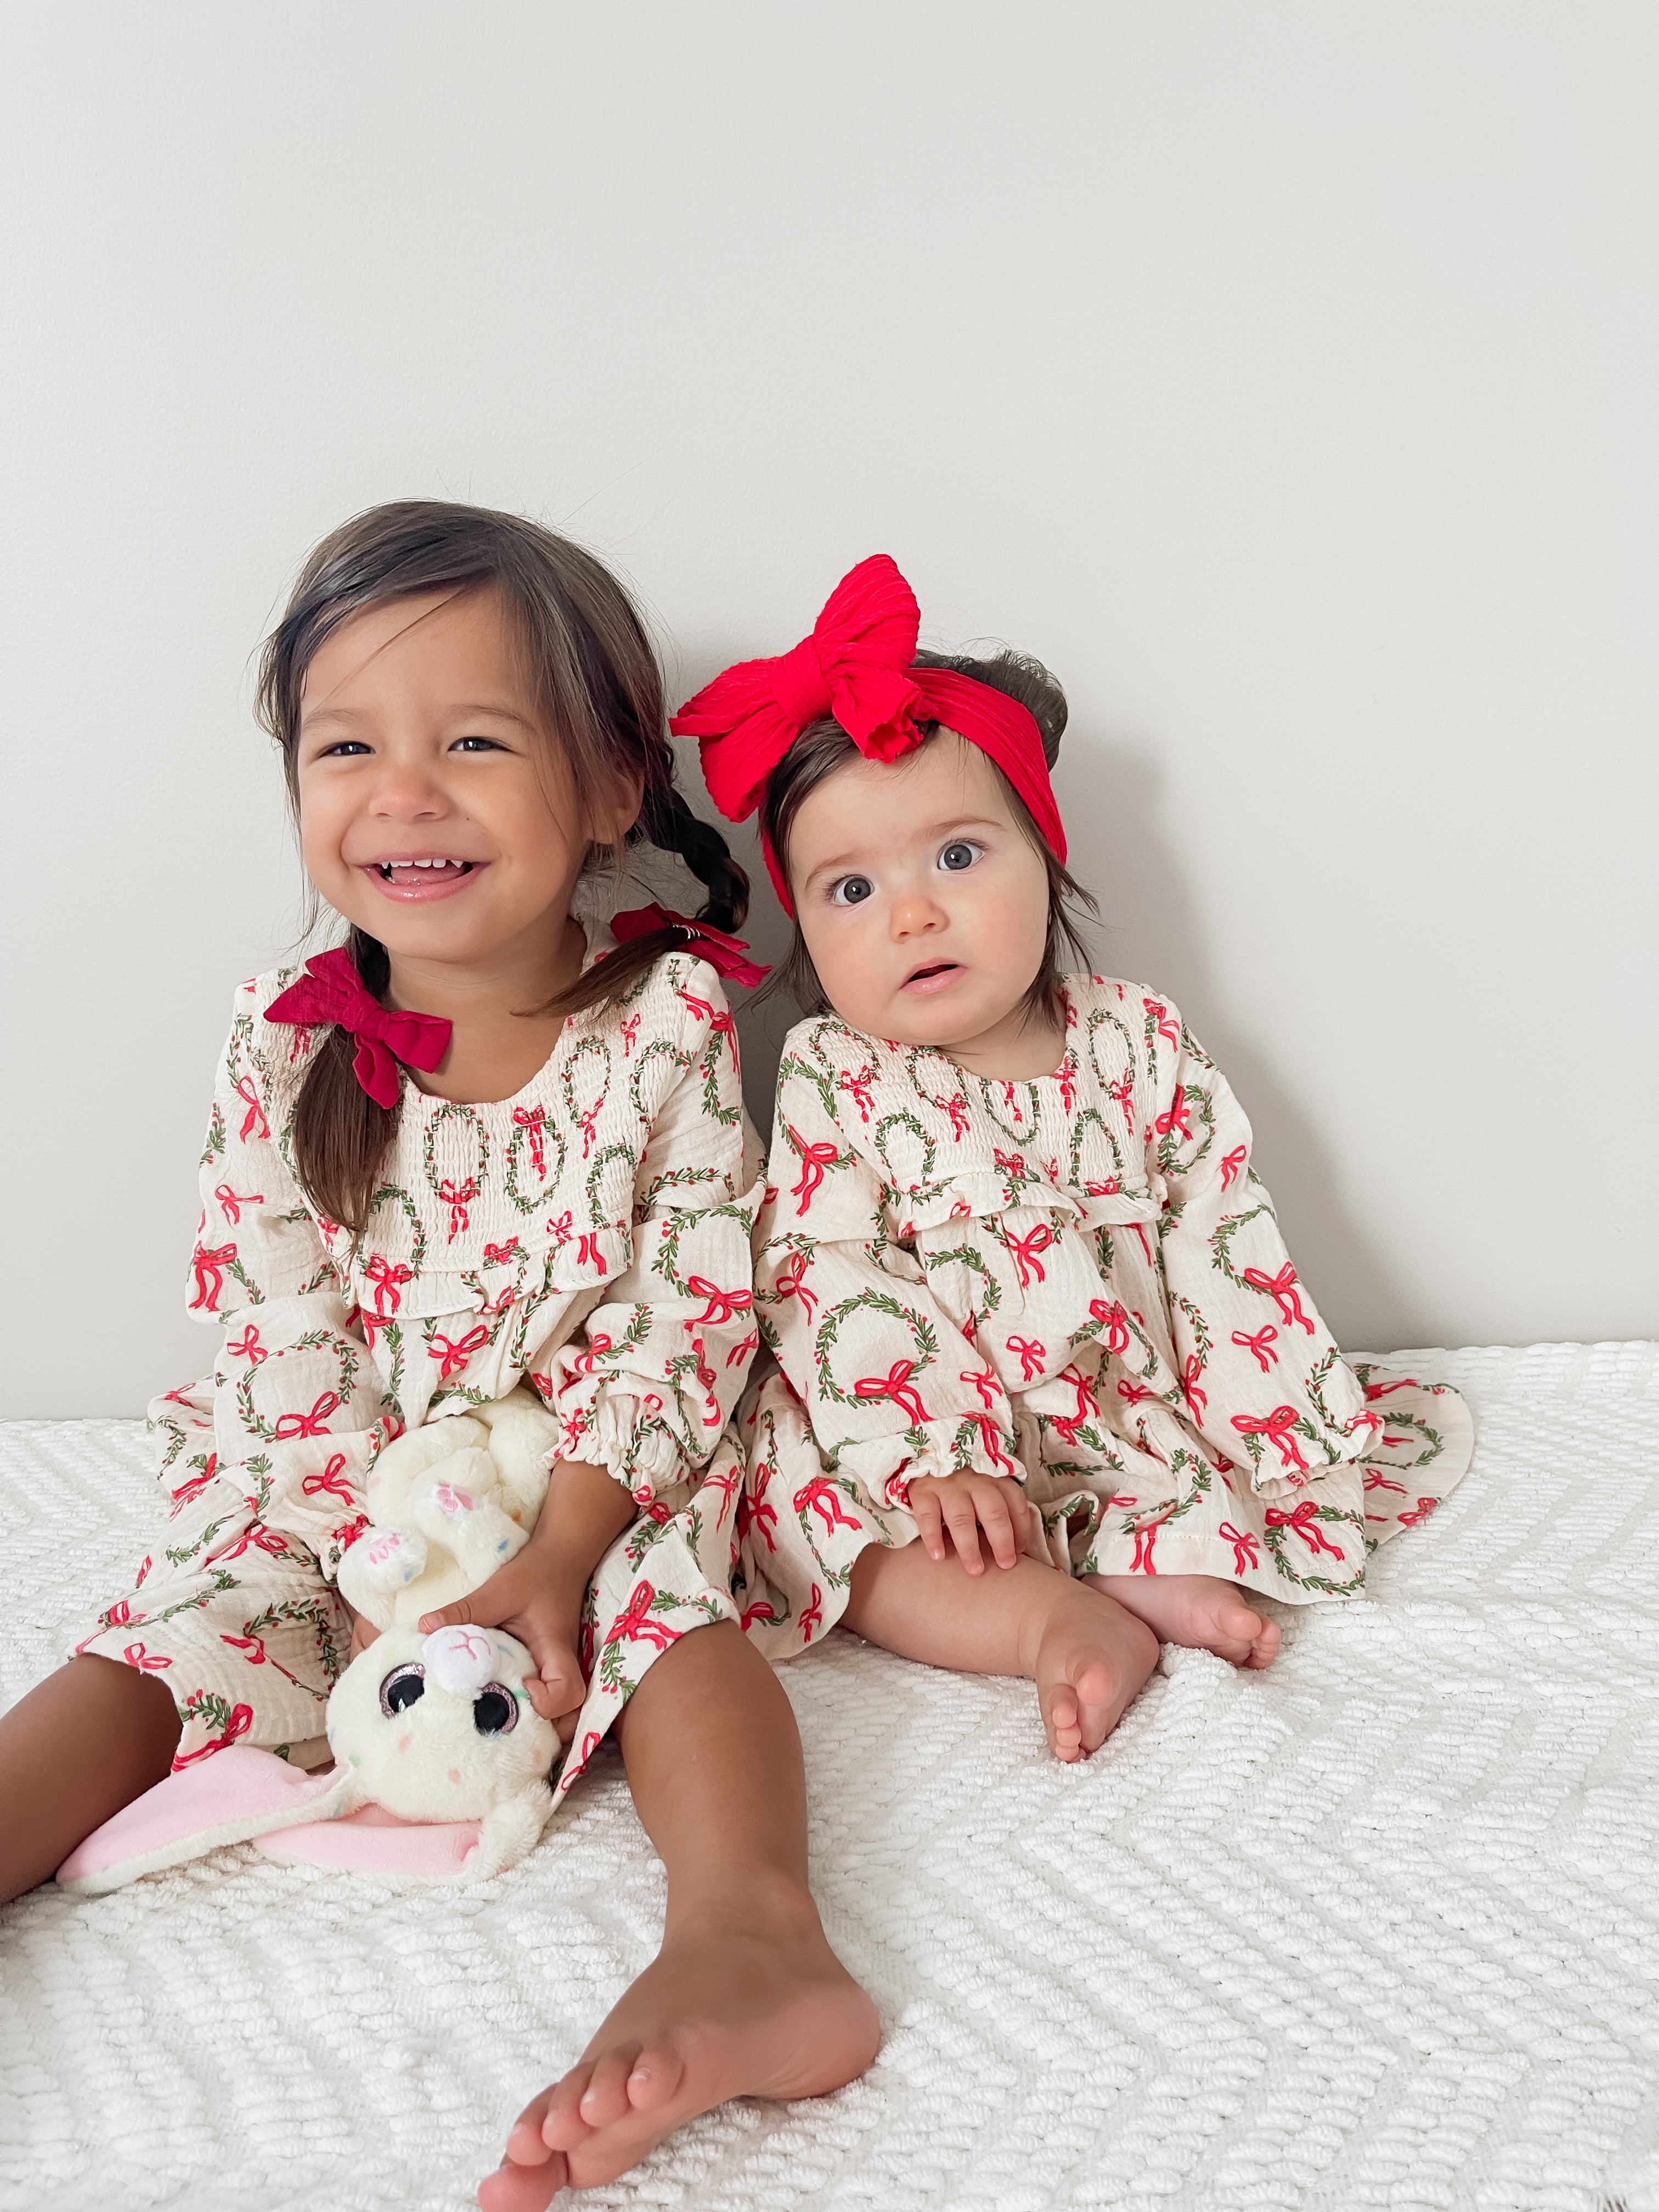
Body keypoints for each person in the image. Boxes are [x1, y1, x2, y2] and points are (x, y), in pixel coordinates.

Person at [0, 504, 877, 2205]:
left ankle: (757, 1939)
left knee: (674, 1629)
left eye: (473, 741)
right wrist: (378, 1558)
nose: (404, 792)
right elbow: (276, 1342)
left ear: (614, 784)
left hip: (580, 1486)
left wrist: (549, 1554)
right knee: (167, 1636)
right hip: (340, 1495)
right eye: (348, 747)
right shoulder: (283, 1043)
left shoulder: (669, 1025)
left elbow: (683, 1321)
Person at [673, 555, 1474, 1763]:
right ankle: (1051, 1621)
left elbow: (1221, 1230)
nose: (912, 915)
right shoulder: (838, 1076)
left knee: (1203, 1485)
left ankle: (1154, 1576)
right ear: (809, 930)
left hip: (1119, 1411)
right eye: (851, 887)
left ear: (1041, 855)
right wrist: (937, 1452)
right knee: (832, 1533)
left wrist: (1263, 1418)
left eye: (956, 857)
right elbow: (829, 1276)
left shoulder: (1137, 1037)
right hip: (932, 1432)